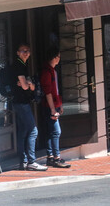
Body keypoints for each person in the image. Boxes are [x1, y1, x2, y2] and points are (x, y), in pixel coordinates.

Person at [11, 43, 47, 171]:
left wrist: (28, 84)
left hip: (18, 102)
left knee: (23, 132)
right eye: (23, 51)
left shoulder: (22, 65)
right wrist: (28, 84)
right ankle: (31, 161)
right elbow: (27, 86)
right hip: (22, 103)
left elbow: (27, 85)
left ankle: (24, 161)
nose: (26, 53)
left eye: (28, 51)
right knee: (33, 131)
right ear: (18, 53)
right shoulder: (19, 66)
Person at [40, 46, 71, 168]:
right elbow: (48, 92)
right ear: (53, 57)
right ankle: (56, 158)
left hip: (54, 104)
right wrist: (53, 109)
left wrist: (59, 105)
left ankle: (51, 157)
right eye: (58, 56)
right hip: (49, 106)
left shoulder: (53, 71)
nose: (59, 59)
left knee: (51, 132)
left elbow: (56, 91)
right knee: (56, 132)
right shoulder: (47, 72)